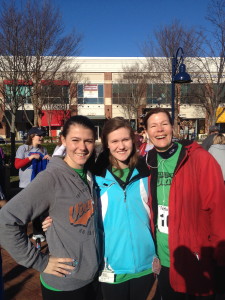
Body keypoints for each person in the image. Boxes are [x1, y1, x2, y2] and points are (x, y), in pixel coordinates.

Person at [43, 117, 160, 300]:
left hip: (145, 266)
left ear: (134, 140)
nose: (121, 146)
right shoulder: (94, 178)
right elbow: (65, 202)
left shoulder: (147, 172)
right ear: (106, 144)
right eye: (114, 141)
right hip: (109, 267)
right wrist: (47, 220)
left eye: (125, 140)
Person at [0, 116, 100, 300]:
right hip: (64, 285)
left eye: (88, 141)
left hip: (92, 277)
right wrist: (39, 261)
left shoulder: (88, 173)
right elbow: (5, 220)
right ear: (63, 140)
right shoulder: (50, 179)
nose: (82, 147)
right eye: (75, 140)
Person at [143, 107, 225, 299]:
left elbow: (219, 209)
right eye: (153, 126)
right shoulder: (148, 161)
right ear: (147, 132)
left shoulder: (199, 159)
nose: (159, 130)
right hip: (163, 260)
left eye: (164, 124)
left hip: (195, 259)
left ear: (172, 127)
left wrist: (220, 258)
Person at [14, 127, 50, 242]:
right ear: (32, 136)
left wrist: (49, 159)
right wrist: (31, 157)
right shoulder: (23, 148)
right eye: (39, 135)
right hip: (25, 186)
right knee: (24, 211)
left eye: (42, 135)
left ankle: (38, 232)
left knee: (37, 210)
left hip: (38, 185)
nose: (42, 137)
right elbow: (17, 165)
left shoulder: (43, 149)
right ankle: (22, 234)